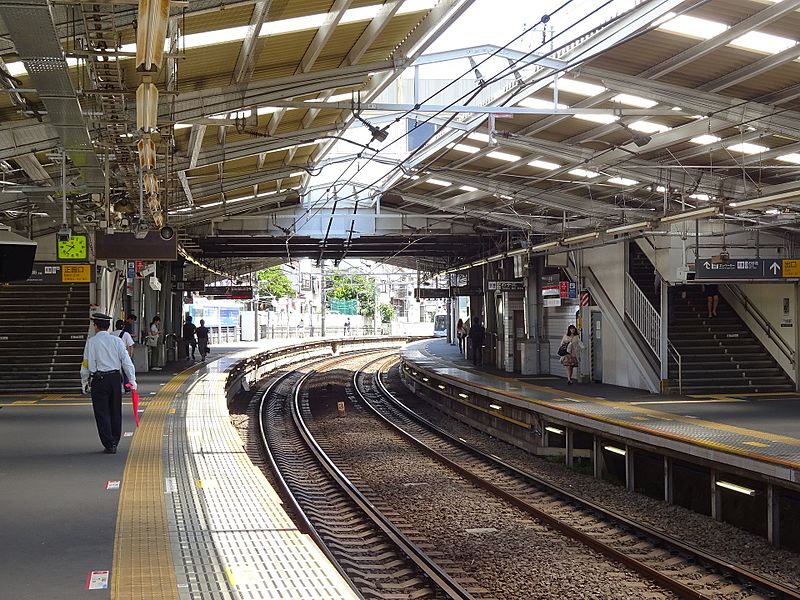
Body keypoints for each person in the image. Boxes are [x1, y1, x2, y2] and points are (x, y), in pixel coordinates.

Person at [80, 313, 137, 454]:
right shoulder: (117, 341)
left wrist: (84, 381)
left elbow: (85, 364)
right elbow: (126, 362)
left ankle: (108, 443)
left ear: (96, 326)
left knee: (102, 412)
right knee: (115, 410)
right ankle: (115, 441)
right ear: (107, 326)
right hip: (114, 379)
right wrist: (132, 380)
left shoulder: (91, 342)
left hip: (98, 380)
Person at [115, 319, 135, 392]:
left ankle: (117, 387)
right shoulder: (126, 334)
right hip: (124, 356)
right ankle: (127, 387)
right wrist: (130, 356)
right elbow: (130, 346)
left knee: (116, 372)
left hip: (114, 357)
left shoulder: (111, 334)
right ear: (123, 326)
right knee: (126, 372)